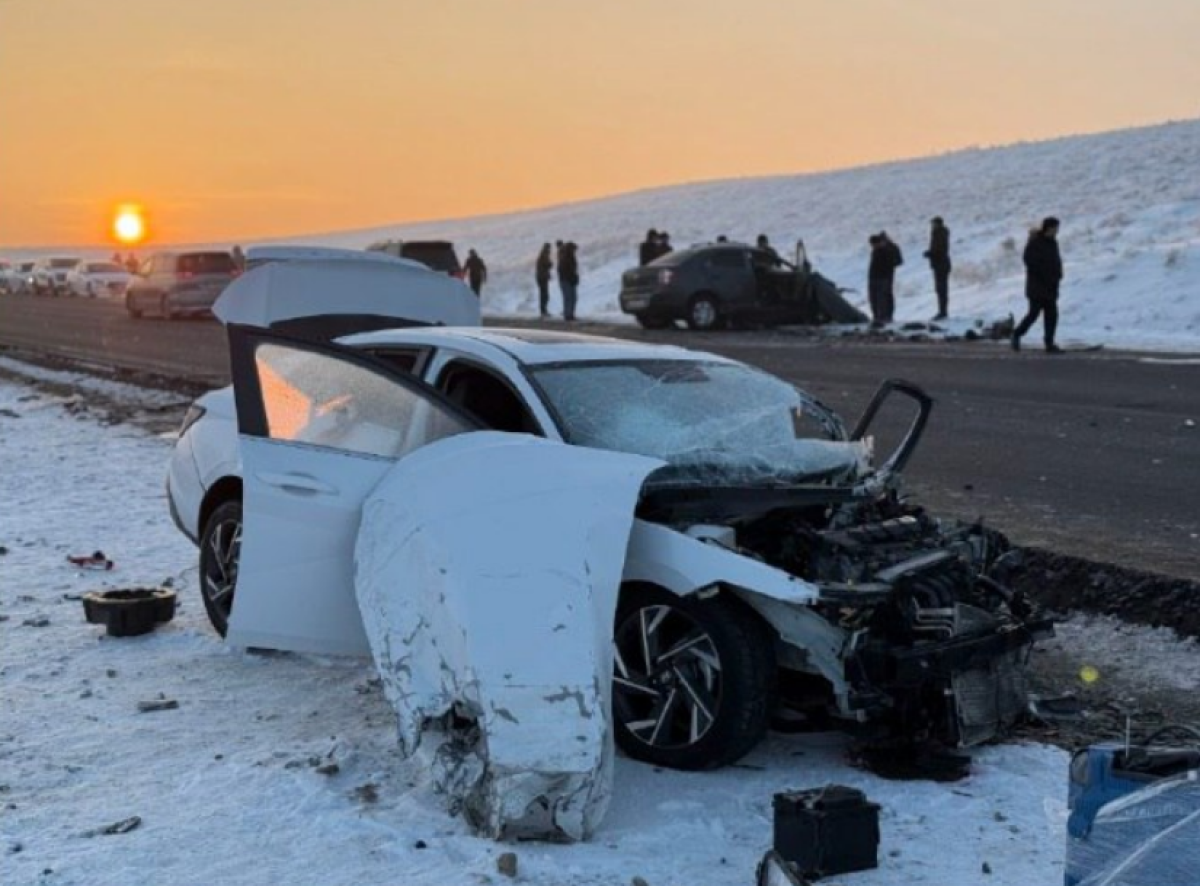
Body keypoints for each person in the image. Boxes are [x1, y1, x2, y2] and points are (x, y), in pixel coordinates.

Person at [1012, 217, 1064, 353]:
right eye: (1055, 228)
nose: (1057, 231)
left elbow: (1056, 261)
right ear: (1049, 228)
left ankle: (1049, 342)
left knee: (1052, 314)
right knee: (1033, 314)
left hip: (1051, 286)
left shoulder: (1053, 243)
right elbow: (1030, 262)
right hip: (1037, 287)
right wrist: (1045, 276)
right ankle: (1017, 334)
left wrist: (1058, 275)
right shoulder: (1035, 243)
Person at [867, 231, 903, 326]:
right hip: (875, 277)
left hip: (884, 277)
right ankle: (877, 316)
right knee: (874, 298)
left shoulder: (890, 249)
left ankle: (885, 316)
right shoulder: (876, 250)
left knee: (883, 297)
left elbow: (897, 261)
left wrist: (888, 267)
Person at [924, 217, 951, 320]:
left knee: (941, 289)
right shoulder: (939, 233)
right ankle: (942, 311)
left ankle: (943, 312)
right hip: (940, 264)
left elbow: (940, 249)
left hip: (941, 264)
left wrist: (930, 253)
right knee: (940, 289)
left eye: (933, 224)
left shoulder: (939, 234)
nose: (932, 226)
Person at [559, 242, 580, 321]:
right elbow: (566, 271)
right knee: (569, 298)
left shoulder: (570, 257)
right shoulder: (565, 258)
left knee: (572, 298)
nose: (574, 251)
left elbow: (573, 270)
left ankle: (570, 313)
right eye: (574, 249)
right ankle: (568, 314)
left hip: (569, 280)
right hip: (566, 280)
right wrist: (571, 277)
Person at [535, 243, 553, 317]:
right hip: (542, 278)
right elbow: (548, 265)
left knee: (544, 295)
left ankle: (543, 310)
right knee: (544, 295)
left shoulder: (543, 255)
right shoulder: (544, 256)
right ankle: (543, 310)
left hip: (541, 277)